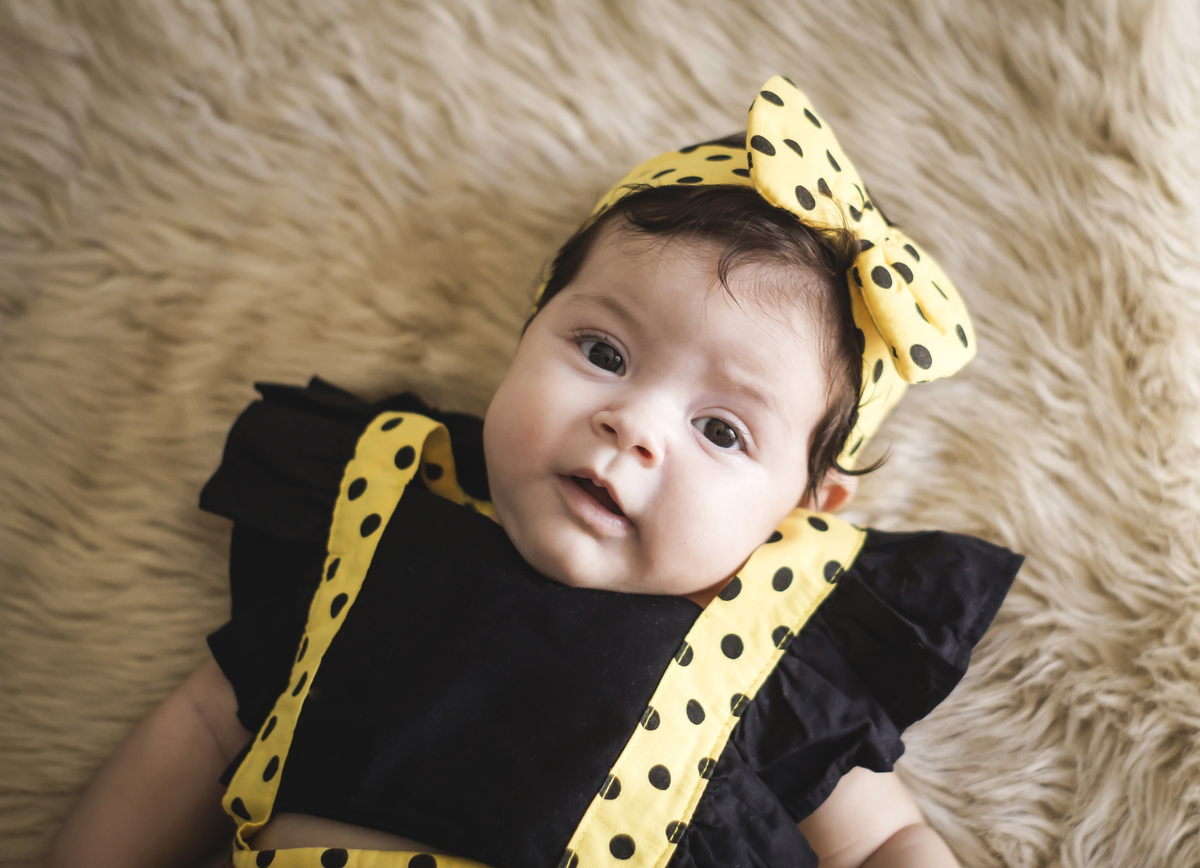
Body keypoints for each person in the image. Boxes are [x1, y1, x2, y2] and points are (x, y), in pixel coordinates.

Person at [47, 76, 1022, 868]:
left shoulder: (774, 655)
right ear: (526, 334)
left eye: (722, 431)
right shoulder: (380, 514)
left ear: (802, 511)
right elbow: (203, 727)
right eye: (603, 352)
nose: (632, 425)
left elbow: (883, 842)